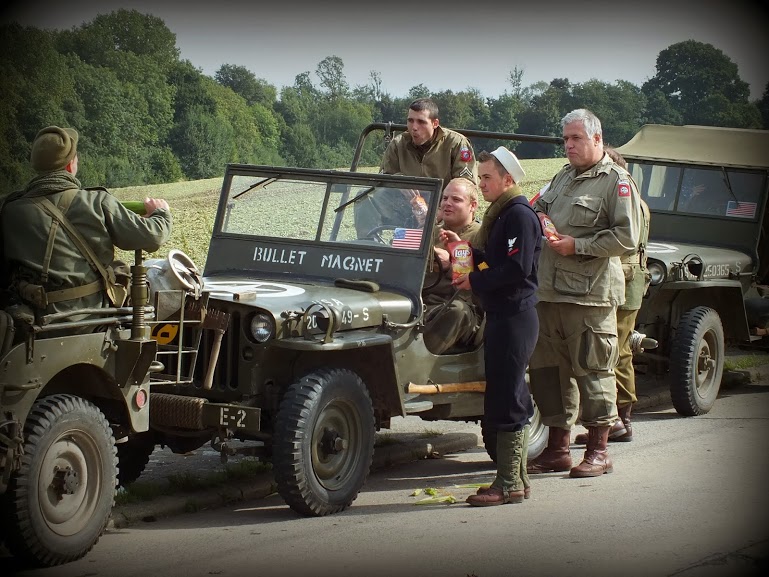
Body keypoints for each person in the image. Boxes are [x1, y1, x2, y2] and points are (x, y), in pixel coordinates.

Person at [527, 109, 641, 478]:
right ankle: (558, 447)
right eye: (565, 139)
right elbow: (537, 206)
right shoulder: (562, 176)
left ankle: (599, 450)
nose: (569, 145)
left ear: (597, 138)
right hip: (548, 292)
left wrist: (578, 245)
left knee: (594, 372)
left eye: (576, 138)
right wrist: (541, 219)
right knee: (549, 374)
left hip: (589, 297)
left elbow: (627, 238)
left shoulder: (616, 182)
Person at [442, 147, 541, 506]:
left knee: (507, 398)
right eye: (480, 176)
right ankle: (518, 481)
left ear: (507, 180)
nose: (480, 184)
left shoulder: (518, 215)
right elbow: (497, 261)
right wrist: (465, 249)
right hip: (504, 314)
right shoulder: (502, 214)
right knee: (505, 394)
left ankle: (507, 483)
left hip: (515, 316)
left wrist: (476, 283)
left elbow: (518, 269)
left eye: (486, 178)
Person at [0, 125, 172, 332]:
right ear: (70, 166)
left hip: (30, 319)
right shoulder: (96, 202)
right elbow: (152, 236)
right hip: (88, 319)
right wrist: (161, 212)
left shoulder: (10, 209)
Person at [573, 147, 651, 444]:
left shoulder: (630, 203)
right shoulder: (634, 201)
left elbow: (623, 243)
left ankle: (621, 419)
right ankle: (618, 419)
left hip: (624, 282)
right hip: (622, 281)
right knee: (612, 350)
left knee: (615, 351)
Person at [355, 98, 477, 237]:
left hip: (443, 209)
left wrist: (440, 212)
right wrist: (399, 181)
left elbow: (467, 186)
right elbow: (382, 181)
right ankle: (369, 247)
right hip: (405, 208)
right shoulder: (397, 144)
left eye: (421, 122)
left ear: (435, 123)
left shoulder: (456, 143)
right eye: (410, 120)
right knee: (364, 195)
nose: (414, 127)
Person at [422, 178, 482, 355]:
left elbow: (487, 272)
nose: (447, 203)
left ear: (472, 206)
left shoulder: (481, 236)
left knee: (457, 311)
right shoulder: (431, 232)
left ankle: (418, 364)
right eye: (444, 198)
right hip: (423, 303)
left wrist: (451, 265)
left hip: (460, 306)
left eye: (456, 199)